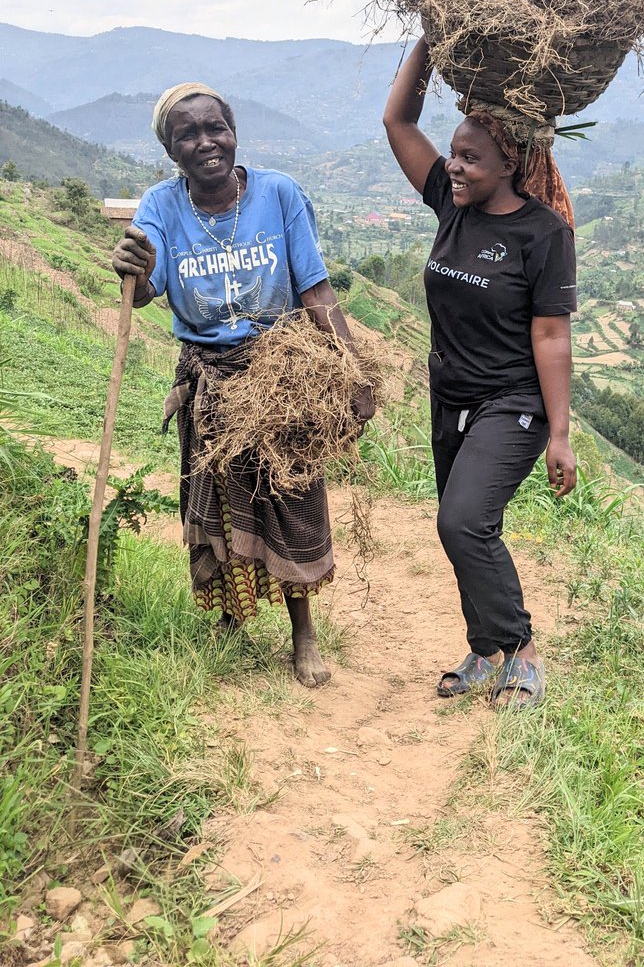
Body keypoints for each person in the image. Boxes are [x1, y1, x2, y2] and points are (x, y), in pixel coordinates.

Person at [112, 82, 374, 687]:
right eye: (188, 135)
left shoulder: (280, 194)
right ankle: (229, 617)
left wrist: (353, 371)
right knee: (218, 504)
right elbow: (146, 289)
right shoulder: (161, 206)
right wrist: (137, 270)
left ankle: (303, 632)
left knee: (290, 498)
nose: (206, 142)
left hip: (280, 375)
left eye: (216, 128)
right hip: (207, 374)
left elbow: (315, 290)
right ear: (170, 150)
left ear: (234, 132)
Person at [383, 38, 577, 708]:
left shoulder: (543, 234)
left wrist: (560, 433)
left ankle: (520, 650)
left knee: (464, 521)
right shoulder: (450, 202)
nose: (455, 166)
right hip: (451, 396)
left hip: (514, 402)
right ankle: (485, 647)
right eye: (454, 154)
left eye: (471, 158)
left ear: (510, 165)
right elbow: (397, 123)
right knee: (457, 524)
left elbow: (551, 335)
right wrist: (430, 41)